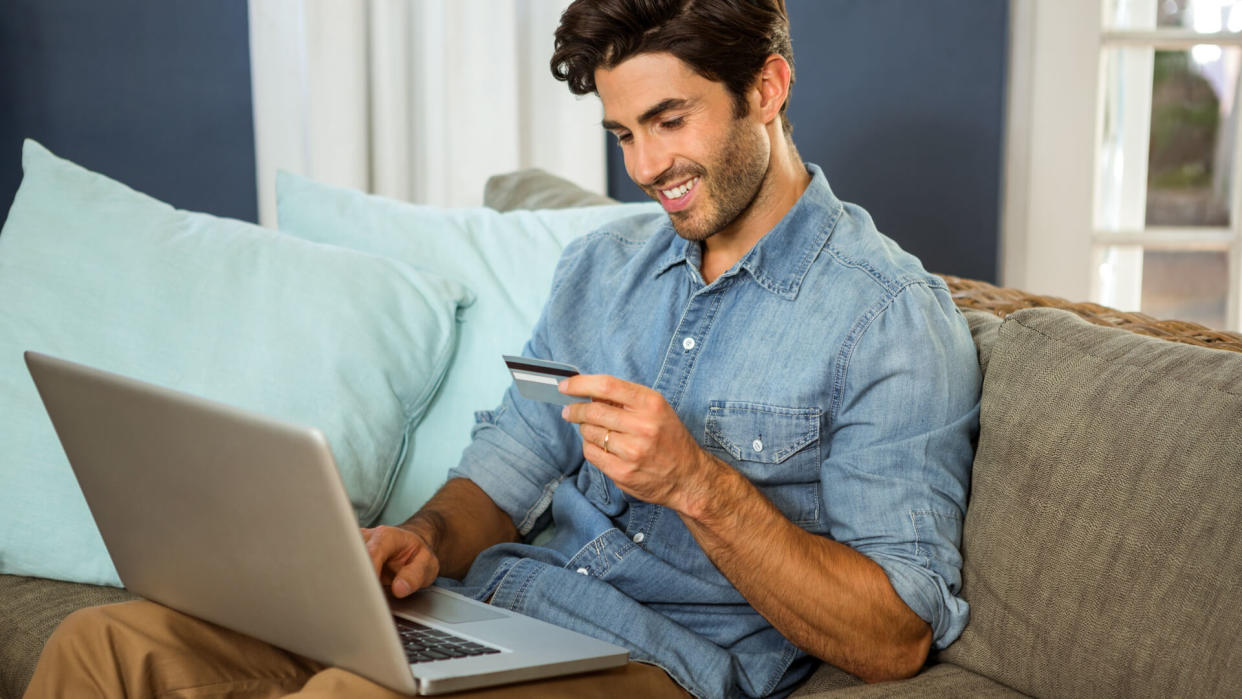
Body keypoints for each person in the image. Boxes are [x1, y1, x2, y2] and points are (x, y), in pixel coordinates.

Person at [26, 1, 980, 697]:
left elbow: (893, 636)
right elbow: (510, 461)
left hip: (654, 664)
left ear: (767, 86)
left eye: (669, 120)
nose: (645, 168)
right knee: (108, 647)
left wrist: (697, 482)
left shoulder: (889, 316)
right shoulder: (602, 267)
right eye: (622, 133)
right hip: (498, 614)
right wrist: (426, 540)